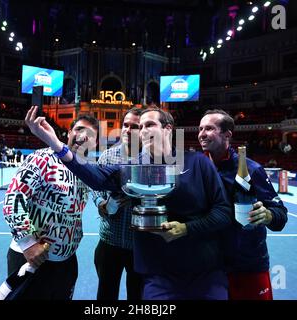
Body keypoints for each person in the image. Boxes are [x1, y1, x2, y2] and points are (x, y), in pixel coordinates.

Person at [26, 105, 232, 300]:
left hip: (204, 272)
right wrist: (56, 144)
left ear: (168, 129)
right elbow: (95, 177)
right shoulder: (132, 168)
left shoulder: (198, 162)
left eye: (149, 124)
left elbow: (223, 211)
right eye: (140, 127)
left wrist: (186, 228)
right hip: (157, 276)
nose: (142, 131)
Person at [2, 114, 99, 300]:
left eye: (90, 135)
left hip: (67, 262)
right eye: (79, 129)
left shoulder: (86, 171)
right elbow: (14, 199)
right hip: (31, 258)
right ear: (69, 133)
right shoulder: (42, 158)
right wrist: (27, 243)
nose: (83, 136)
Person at [198, 109, 288, 300]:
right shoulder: (197, 169)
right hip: (208, 266)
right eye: (200, 129)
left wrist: (268, 215)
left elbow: (280, 214)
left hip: (247, 267)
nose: (202, 134)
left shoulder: (252, 170)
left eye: (209, 128)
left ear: (227, 134)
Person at [92, 107, 143, 300]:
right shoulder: (107, 156)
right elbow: (95, 187)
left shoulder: (152, 159)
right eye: (125, 125)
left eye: (135, 127)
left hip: (138, 245)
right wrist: (101, 204)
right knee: (105, 295)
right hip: (109, 242)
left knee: (137, 296)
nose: (128, 130)